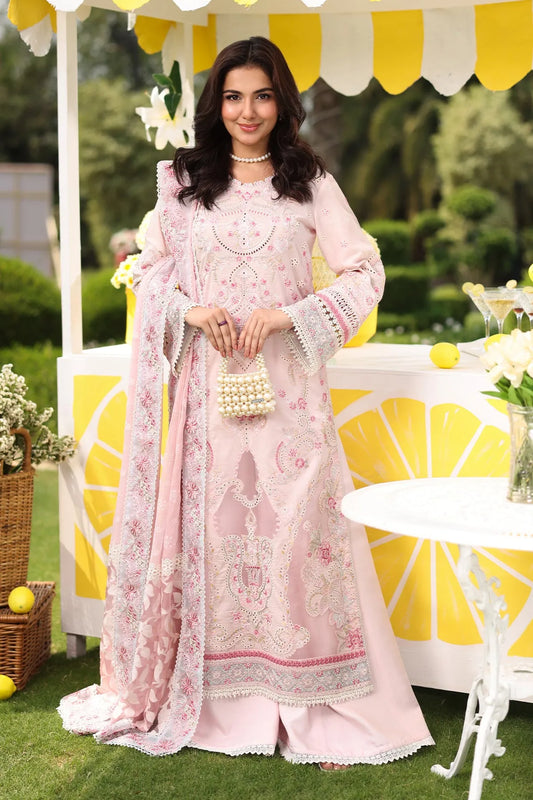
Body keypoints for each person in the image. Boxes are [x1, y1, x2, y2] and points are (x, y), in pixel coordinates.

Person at [59, 36, 433, 768]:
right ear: (215, 104)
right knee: (218, 542)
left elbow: (364, 271)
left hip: (291, 398)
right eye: (233, 96)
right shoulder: (183, 183)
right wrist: (190, 313)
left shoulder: (309, 181)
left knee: (298, 543)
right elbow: (147, 272)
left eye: (262, 95)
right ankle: (219, 699)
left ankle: (318, 703)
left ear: (281, 101)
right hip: (207, 403)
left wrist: (292, 315)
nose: (247, 110)